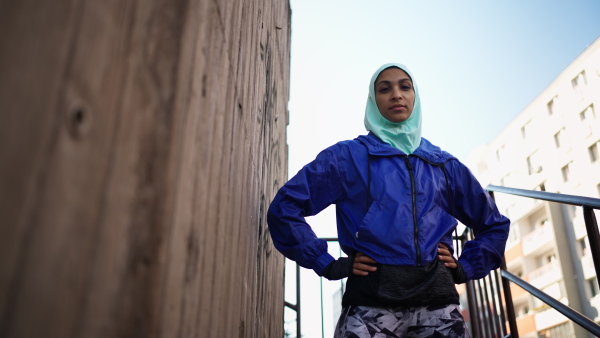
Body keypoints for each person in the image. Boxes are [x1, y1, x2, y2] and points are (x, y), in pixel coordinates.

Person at [267, 63, 510, 337]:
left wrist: (466, 266)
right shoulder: (347, 157)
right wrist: (326, 262)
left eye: (405, 87)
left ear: (415, 97)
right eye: (385, 89)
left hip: (438, 306)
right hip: (370, 305)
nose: (396, 94)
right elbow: (284, 208)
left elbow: (494, 225)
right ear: (373, 101)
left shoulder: (444, 165)